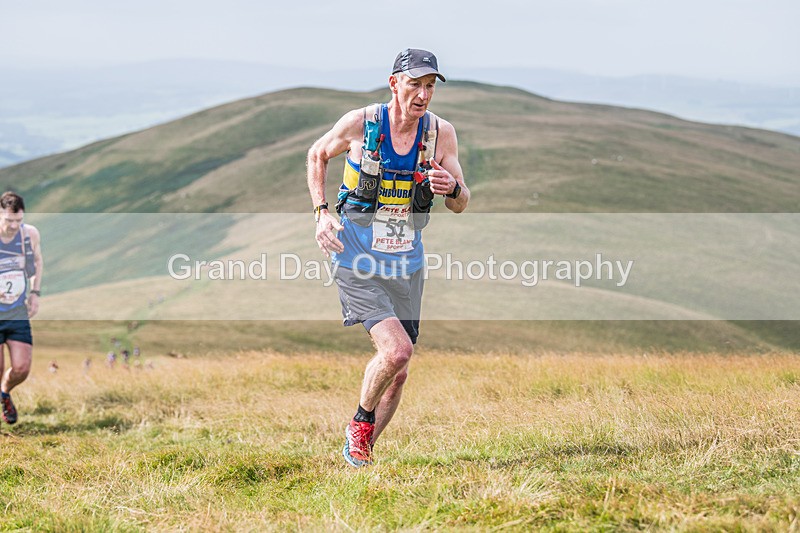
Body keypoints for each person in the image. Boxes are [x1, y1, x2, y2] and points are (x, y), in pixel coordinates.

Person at [307, 49, 470, 467]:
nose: (423, 94)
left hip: (406, 264)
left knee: (398, 372)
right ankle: (359, 426)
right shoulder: (361, 124)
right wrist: (322, 214)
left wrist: (451, 187)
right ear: (394, 83)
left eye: (430, 86)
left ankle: (360, 455)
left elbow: (461, 202)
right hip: (356, 258)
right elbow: (317, 154)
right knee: (397, 351)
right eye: (415, 84)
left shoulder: (440, 134)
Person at [0, 192, 43, 425]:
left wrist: (35, 293)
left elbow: (37, 262)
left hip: (17, 311)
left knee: (22, 368)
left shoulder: (29, 235)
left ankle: (4, 393)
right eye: (9, 221)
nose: (14, 225)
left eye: (18, 220)